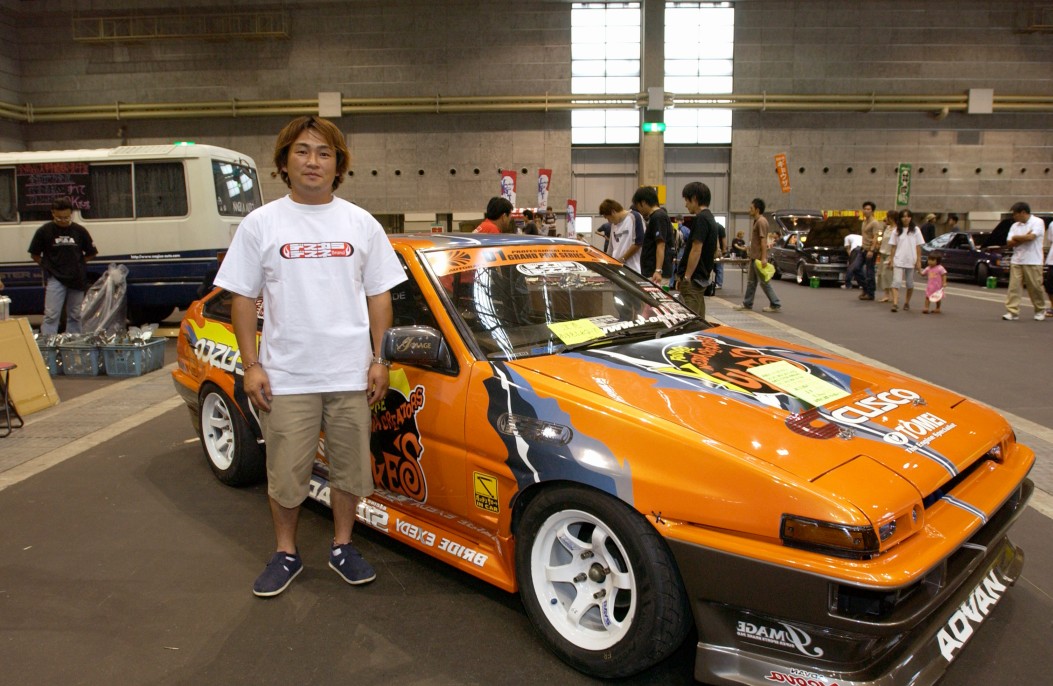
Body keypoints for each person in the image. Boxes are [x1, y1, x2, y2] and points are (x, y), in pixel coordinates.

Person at [213, 115, 407, 597]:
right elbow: (242, 298)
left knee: (349, 471)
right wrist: (252, 365)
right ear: (284, 162)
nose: (313, 161)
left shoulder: (361, 223)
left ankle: (342, 546)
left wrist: (380, 359)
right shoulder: (261, 224)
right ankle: (286, 552)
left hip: (350, 374)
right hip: (287, 376)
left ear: (339, 164)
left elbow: (380, 296)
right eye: (302, 151)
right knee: (285, 475)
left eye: (324, 153)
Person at [27, 196, 99, 335]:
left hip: (77, 278)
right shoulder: (44, 231)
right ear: (53, 213)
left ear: (71, 214)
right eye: (59, 218)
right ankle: (49, 341)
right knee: (51, 314)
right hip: (56, 278)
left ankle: (73, 340)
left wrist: (79, 263)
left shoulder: (79, 230)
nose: (63, 221)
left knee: (75, 314)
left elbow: (92, 252)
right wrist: (47, 265)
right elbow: (34, 254)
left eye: (66, 217)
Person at [677, 182, 721, 319]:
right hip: (702, 277)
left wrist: (687, 276)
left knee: (690, 320)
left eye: (687, 200)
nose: (686, 205)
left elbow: (696, 249)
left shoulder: (701, 219)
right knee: (699, 317)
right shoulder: (710, 218)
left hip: (694, 279)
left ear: (694, 199)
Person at [1001, 201, 1046, 321]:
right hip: (1017, 259)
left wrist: (1017, 238)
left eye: (1015, 214)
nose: (1014, 217)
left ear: (1023, 212)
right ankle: (1012, 311)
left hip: (1033, 260)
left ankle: (1040, 310)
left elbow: (1031, 237)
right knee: (1014, 287)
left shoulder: (1038, 222)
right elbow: (1009, 243)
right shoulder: (1015, 226)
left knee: (1035, 287)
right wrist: (1022, 238)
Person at [735, 197, 781, 313]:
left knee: (764, 282)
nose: (749, 210)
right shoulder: (757, 221)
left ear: (757, 209)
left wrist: (764, 258)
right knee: (751, 282)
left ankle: (775, 303)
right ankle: (747, 303)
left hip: (759, 258)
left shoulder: (761, 222)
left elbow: (763, 240)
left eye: (751, 208)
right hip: (754, 257)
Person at [630, 186, 673, 285]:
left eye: (638, 206)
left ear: (643, 202)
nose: (639, 210)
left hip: (656, 274)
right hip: (652, 272)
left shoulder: (658, 217)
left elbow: (661, 245)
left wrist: (658, 270)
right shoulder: (655, 217)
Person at [888, 208, 925, 312]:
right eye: (903, 216)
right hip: (898, 259)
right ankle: (895, 303)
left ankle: (907, 302)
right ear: (900, 218)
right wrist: (891, 260)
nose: (906, 218)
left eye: (908, 216)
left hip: (911, 259)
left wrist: (918, 261)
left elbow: (918, 246)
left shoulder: (916, 230)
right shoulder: (896, 230)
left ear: (911, 218)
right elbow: (893, 247)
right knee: (896, 282)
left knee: (910, 283)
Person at [599, 198, 644, 274]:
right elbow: (611, 248)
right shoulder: (613, 225)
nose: (609, 221)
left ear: (613, 212)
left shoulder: (634, 217)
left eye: (608, 218)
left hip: (633, 269)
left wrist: (622, 259)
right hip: (617, 269)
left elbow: (638, 243)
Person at [852, 201, 880, 300]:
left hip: (870, 250)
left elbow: (876, 237)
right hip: (862, 248)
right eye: (865, 209)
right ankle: (865, 288)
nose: (866, 211)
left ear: (872, 211)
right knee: (855, 268)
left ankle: (870, 293)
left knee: (869, 272)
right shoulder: (864, 222)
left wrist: (871, 250)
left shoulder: (875, 223)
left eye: (868, 209)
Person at [875, 209, 897, 302]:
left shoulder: (897, 230)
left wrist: (892, 258)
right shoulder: (887, 228)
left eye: (888, 217)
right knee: (881, 274)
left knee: (887, 274)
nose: (886, 219)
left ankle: (891, 294)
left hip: (890, 254)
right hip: (883, 252)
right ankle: (886, 294)